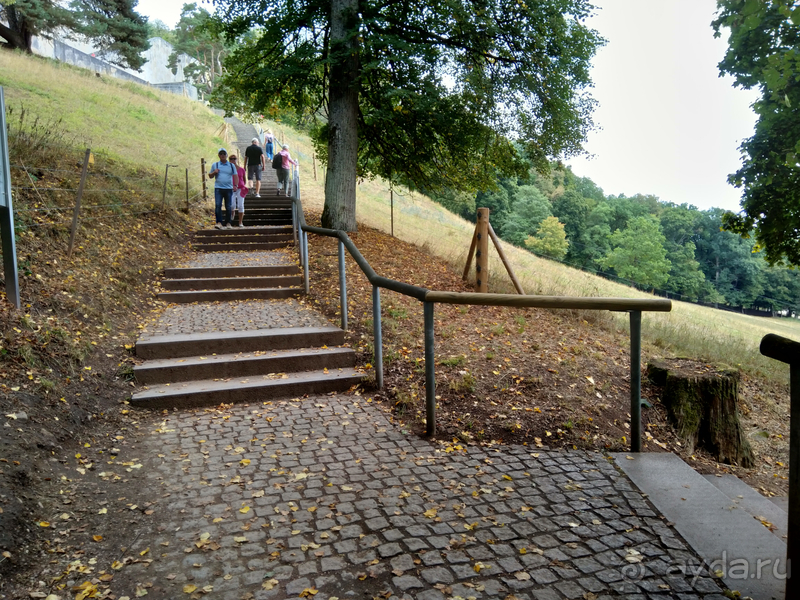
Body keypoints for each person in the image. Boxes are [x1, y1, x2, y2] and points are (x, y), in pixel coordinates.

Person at [207, 148, 238, 229]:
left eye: (224, 154)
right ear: (218, 155)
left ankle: (228, 223)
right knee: (218, 205)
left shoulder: (231, 165)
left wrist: (235, 185)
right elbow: (210, 176)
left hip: (228, 188)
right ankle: (219, 222)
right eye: (221, 154)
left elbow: (235, 175)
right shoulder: (215, 165)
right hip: (218, 188)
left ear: (226, 155)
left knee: (228, 206)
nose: (222, 155)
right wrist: (214, 172)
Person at [229, 154, 248, 227]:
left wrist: (242, 185)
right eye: (231, 159)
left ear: (236, 160)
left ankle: (240, 222)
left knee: (240, 205)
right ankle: (232, 213)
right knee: (232, 204)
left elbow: (244, 179)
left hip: (240, 188)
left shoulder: (241, 169)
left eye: (234, 159)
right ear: (229, 160)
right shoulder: (228, 170)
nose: (233, 160)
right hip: (231, 188)